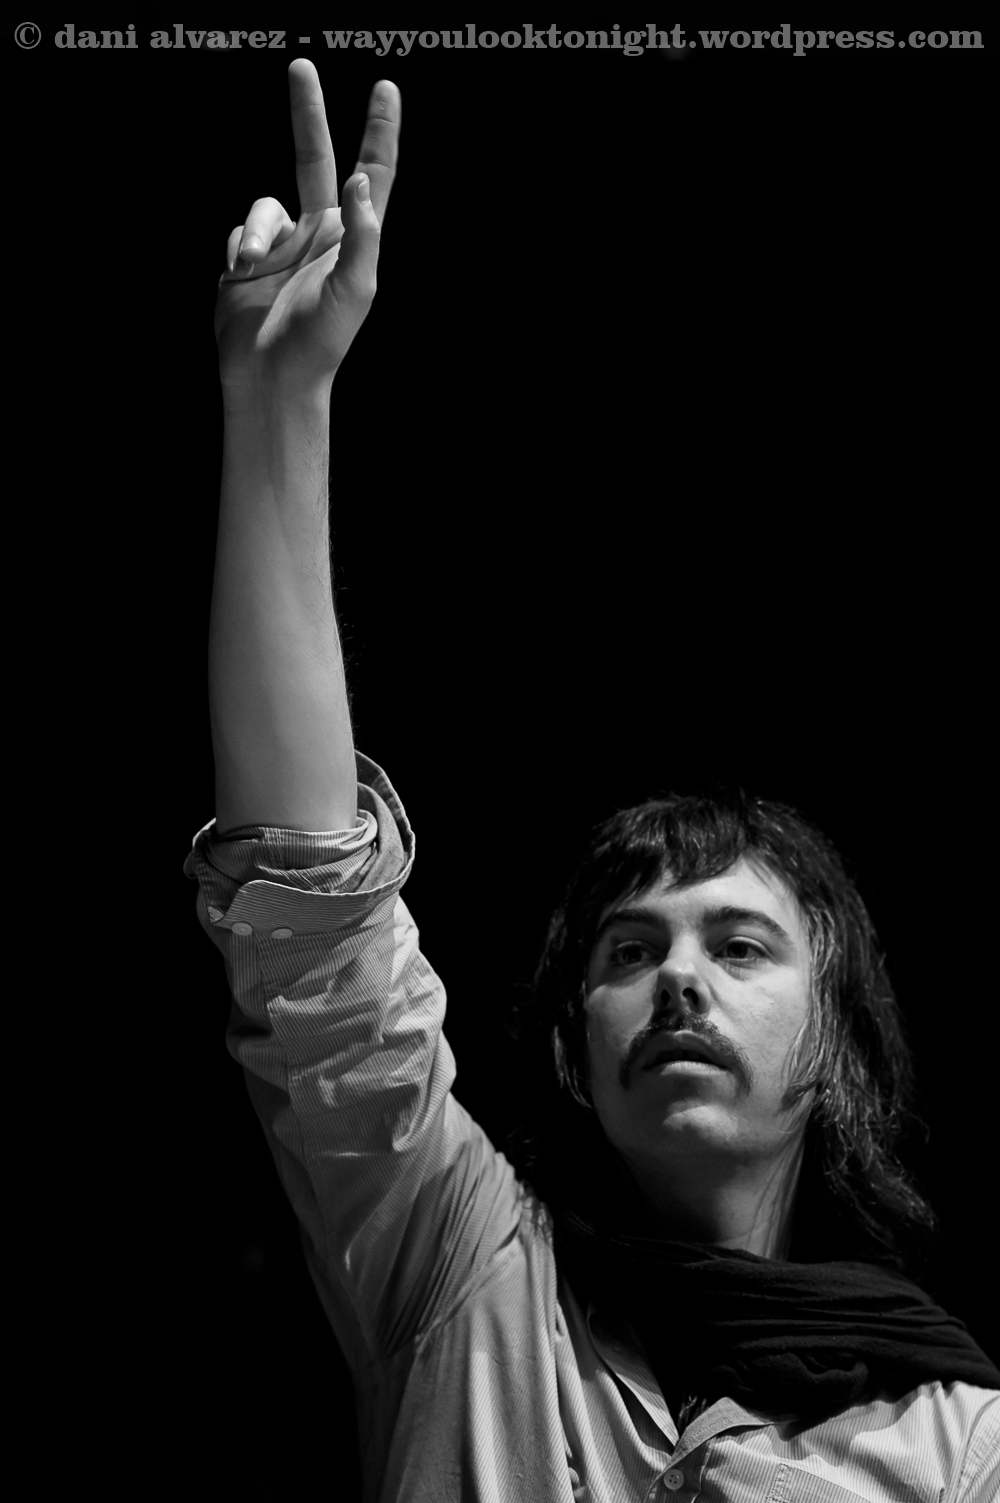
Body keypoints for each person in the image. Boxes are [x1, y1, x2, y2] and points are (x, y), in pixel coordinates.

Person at [185, 59, 999, 1502]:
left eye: (740, 946)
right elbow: (309, 906)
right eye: (630, 952)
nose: (678, 979)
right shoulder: (459, 1266)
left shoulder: (953, 1442)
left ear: (838, 1045)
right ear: (574, 1049)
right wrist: (279, 400)